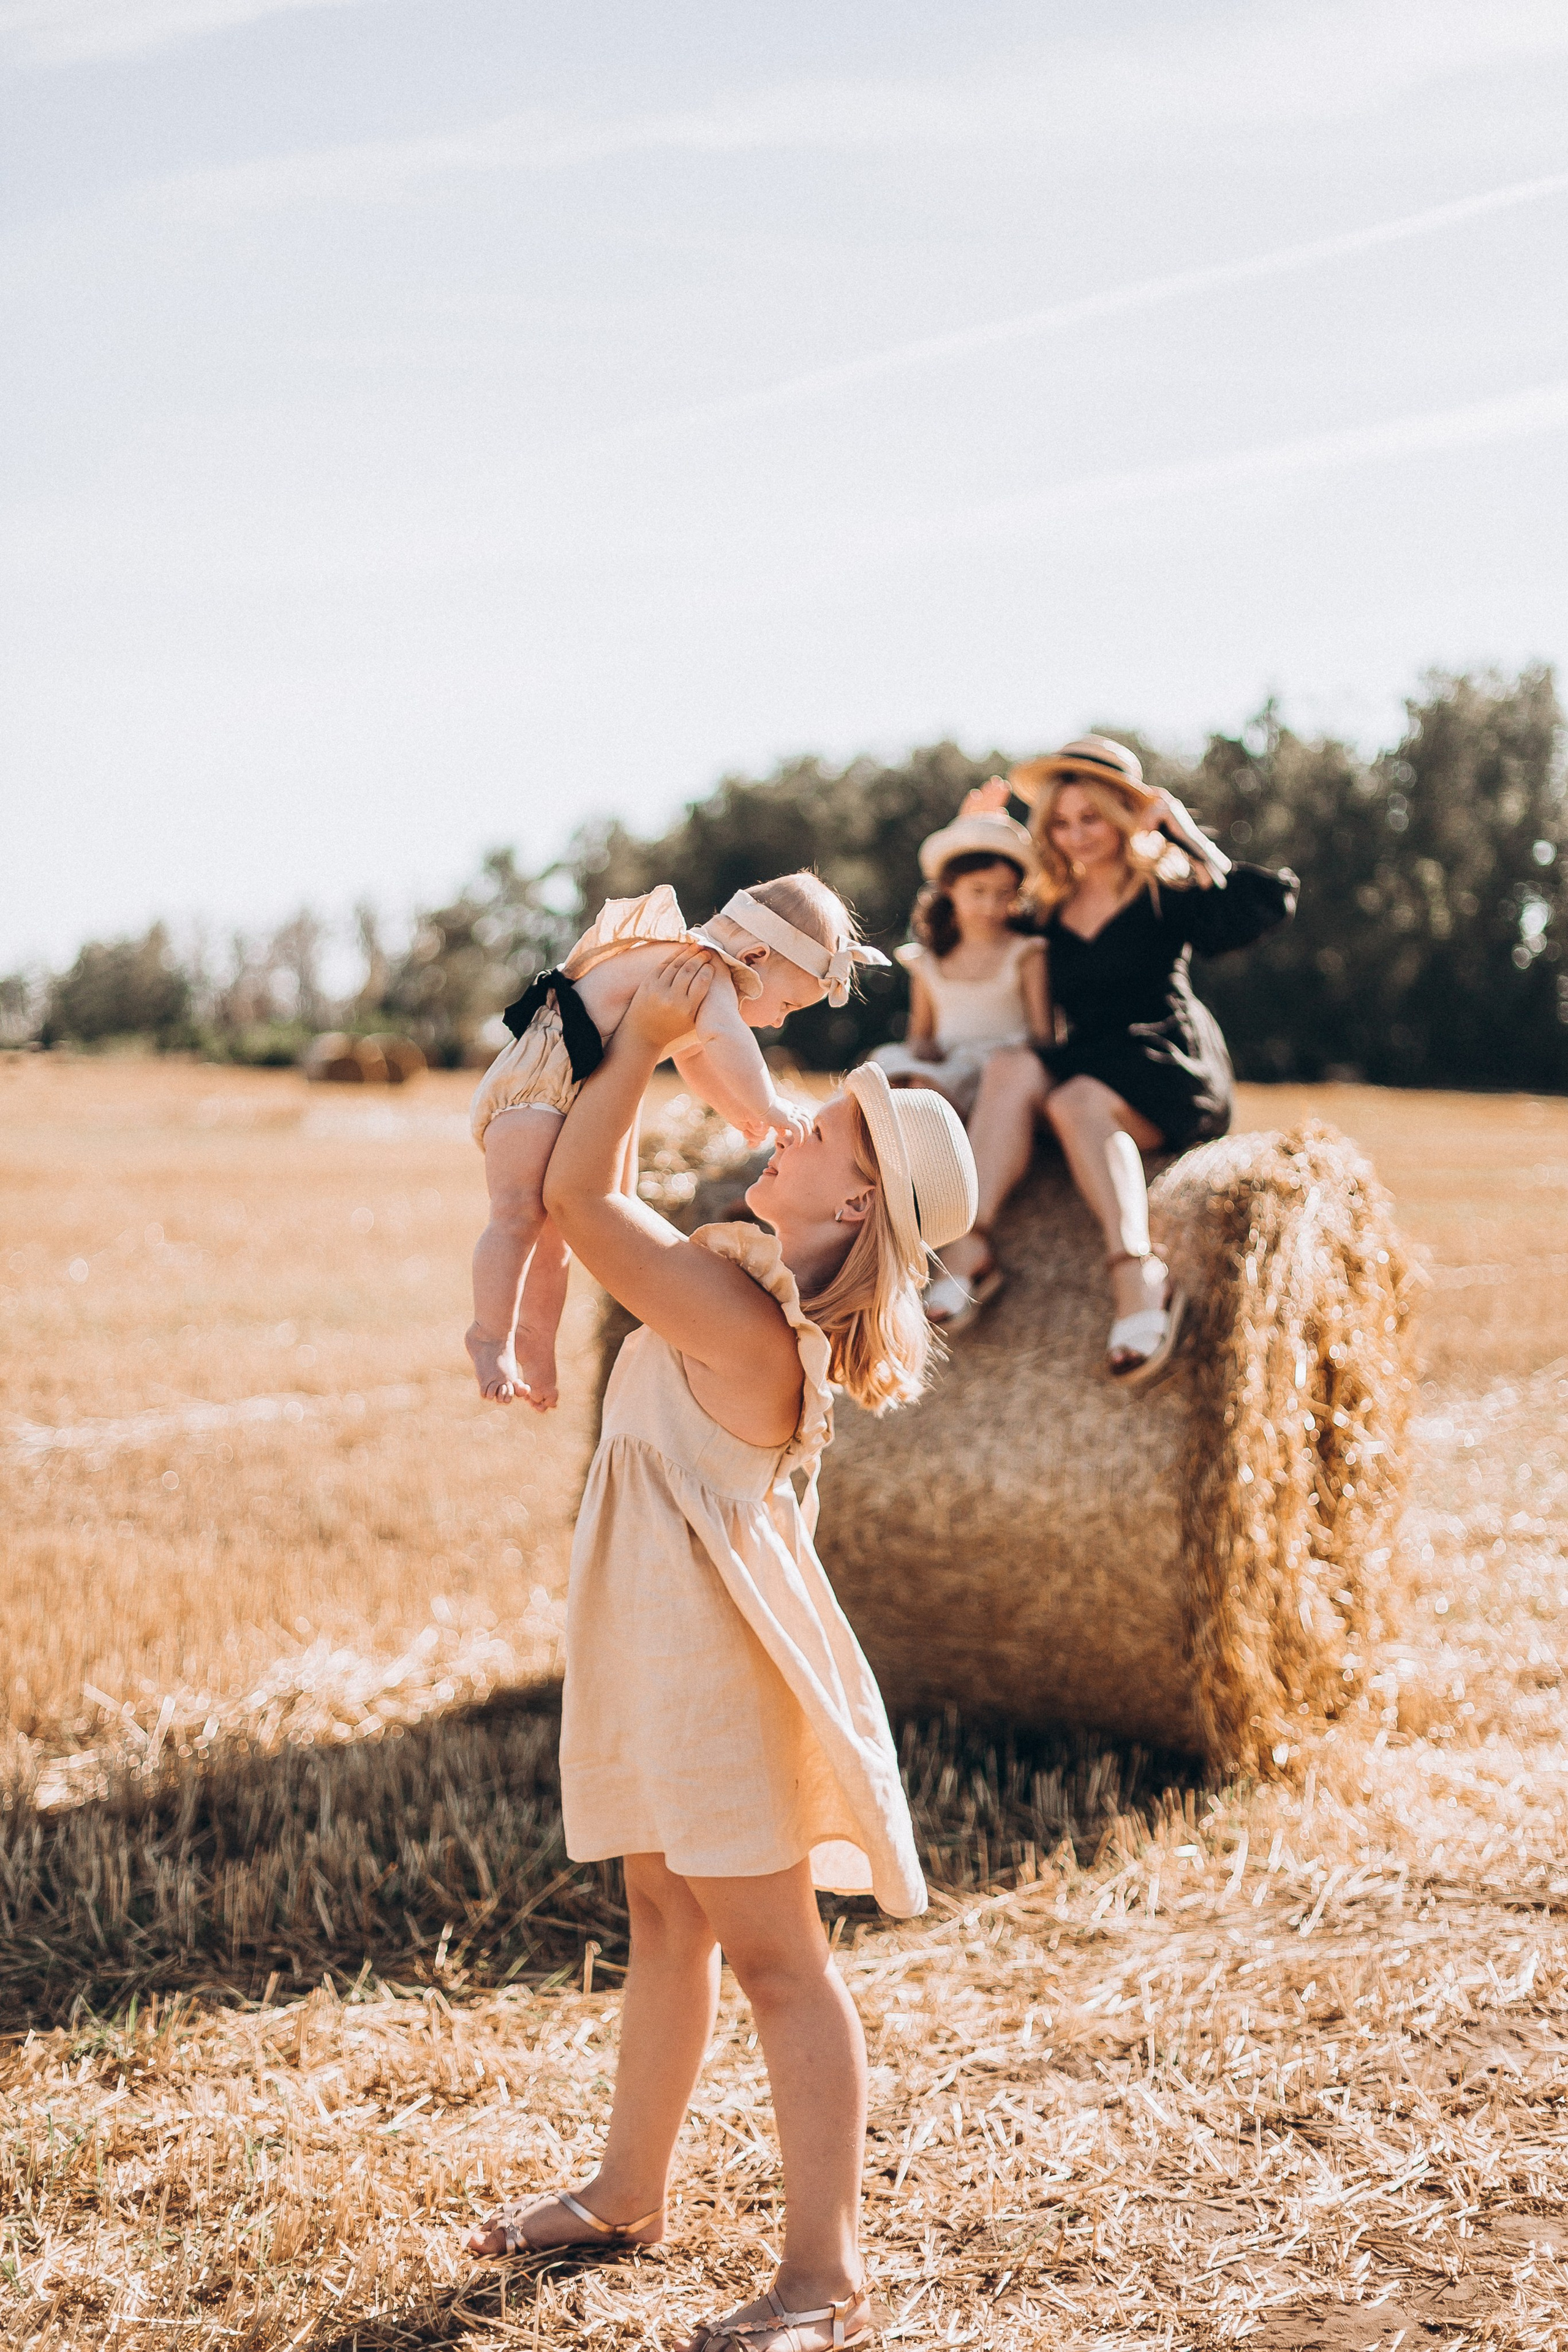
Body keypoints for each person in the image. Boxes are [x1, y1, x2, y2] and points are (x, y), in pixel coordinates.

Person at [465, 944, 979, 2352]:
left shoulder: (744, 1320)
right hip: (661, 1647)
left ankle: (823, 2274)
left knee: (779, 1962)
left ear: (854, 1201)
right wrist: (627, 1046)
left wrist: (636, 1041)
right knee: (663, 1915)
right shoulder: (731, 1280)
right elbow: (605, 1193)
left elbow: (581, 1202)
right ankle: (625, 2191)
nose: (787, 1124)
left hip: (715, 1675)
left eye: (820, 1132)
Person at [940, 736, 1296, 1384]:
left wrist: (1184, 833)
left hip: (1162, 1063)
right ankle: (970, 1248)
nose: (1076, 835)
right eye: (1061, 822)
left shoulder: (1163, 891)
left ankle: (1138, 1274)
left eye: (1092, 818)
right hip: (1083, 1059)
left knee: (1074, 1099)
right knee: (1011, 1068)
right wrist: (970, 840)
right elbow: (960, 940)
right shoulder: (1045, 908)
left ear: (1124, 815)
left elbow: (1252, 912)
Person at [466, 876, 886, 1412]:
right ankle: (489, 1335)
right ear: (754, 956)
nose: (779, 1020)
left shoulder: (695, 984)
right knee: (519, 1214)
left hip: (570, 1086)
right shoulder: (705, 967)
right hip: (539, 1081)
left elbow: (692, 1054)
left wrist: (737, 1110)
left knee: (556, 1235)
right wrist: (768, 1106)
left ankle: (534, 1338)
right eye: (785, 1004)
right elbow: (725, 1040)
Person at [869, 804, 1048, 1331]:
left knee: (933, 1093)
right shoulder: (928, 960)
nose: (991, 906)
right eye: (978, 892)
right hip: (947, 1065)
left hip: (1000, 1069)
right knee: (901, 1081)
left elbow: (1043, 1034)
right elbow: (921, 1035)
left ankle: (944, 1239)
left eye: (1003, 894)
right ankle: (876, 1221)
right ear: (949, 891)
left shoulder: (1026, 951)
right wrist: (922, 1055)